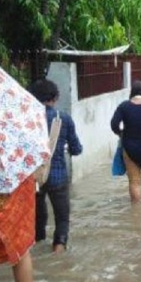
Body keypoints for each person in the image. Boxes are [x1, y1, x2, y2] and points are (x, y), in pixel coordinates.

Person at [30, 79, 83, 253]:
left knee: (38, 218)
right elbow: (76, 149)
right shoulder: (64, 119)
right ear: (54, 98)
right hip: (58, 177)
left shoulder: (27, 119)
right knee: (62, 218)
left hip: (34, 178)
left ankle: (37, 246)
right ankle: (58, 252)